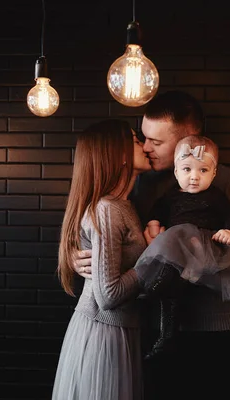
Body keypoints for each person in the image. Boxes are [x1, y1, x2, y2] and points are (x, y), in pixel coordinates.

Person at [72, 90, 230, 400]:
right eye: (143, 139)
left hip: (214, 333)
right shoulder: (144, 184)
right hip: (152, 331)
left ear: (189, 142)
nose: (146, 148)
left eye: (156, 142)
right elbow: (114, 236)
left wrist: (189, 251)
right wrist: (78, 255)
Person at [51, 119, 151, 400]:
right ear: (119, 155)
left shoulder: (122, 205)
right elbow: (108, 295)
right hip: (104, 334)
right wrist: (155, 255)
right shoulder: (107, 209)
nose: (143, 145)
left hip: (119, 330)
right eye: (135, 140)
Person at [134, 134, 230, 360]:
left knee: (180, 289)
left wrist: (228, 231)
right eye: (186, 170)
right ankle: (167, 336)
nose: (194, 177)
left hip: (202, 247)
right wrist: (154, 222)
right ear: (176, 172)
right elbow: (158, 208)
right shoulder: (171, 195)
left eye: (203, 171)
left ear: (213, 174)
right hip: (177, 248)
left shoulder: (215, 196)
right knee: (172, 295)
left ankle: (158, 289)